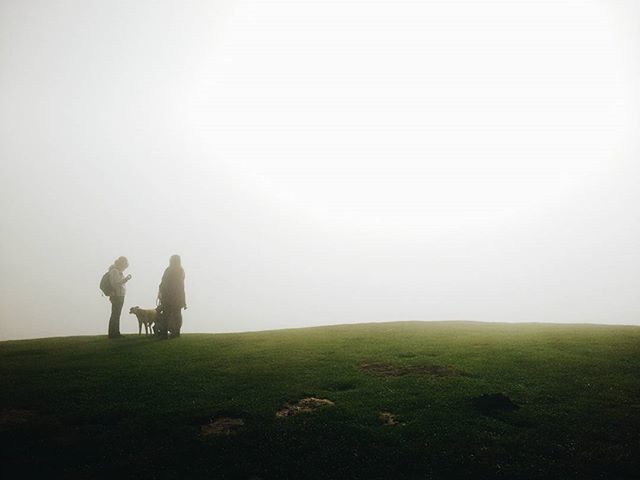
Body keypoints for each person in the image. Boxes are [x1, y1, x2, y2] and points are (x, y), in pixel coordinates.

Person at [157, 254, 186, 339]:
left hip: (167, 296)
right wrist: (183, 299)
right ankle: (176, 332)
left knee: (166, 314)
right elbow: (181, 285)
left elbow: (163, 283)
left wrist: (161, 293)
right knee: (177, 314)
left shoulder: (168, 270)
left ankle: (164, 333)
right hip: (177, 296)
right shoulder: (180, 270)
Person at [108, 256, 132, 338]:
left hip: (120, 295)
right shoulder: (114, 271)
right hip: (117, 295)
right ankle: (113, 333)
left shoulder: (117, 271)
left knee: (117, 314)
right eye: (124, 265)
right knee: (115, 314)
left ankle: (115, 332)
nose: (125, 268)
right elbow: (115, 283)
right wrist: (126, 279)